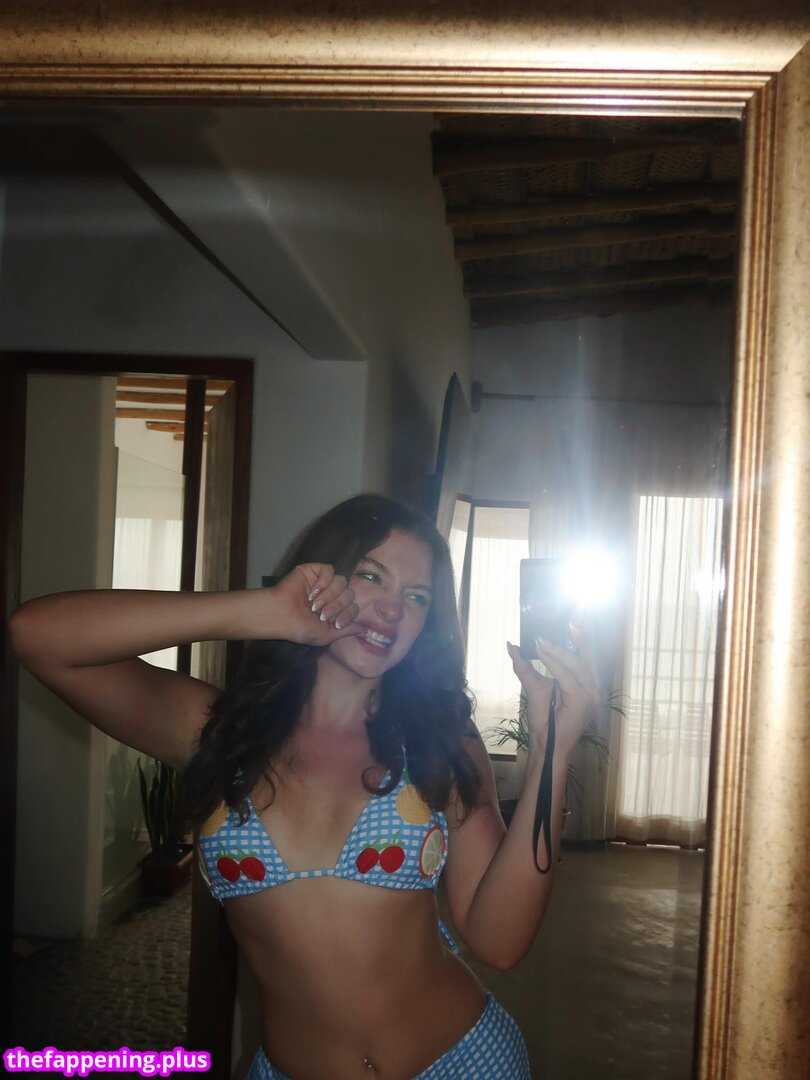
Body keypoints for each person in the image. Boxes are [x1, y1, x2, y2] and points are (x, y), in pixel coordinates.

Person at [10, 493, 598, 1079]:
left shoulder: (439, 740)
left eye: (417, 597)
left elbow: (499, 941)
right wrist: (264, 611)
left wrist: (553, 751)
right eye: (371, 576)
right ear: (323, 574)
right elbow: (37, 635)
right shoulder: (215, 731)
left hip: (466, 1063)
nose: (391, 610)